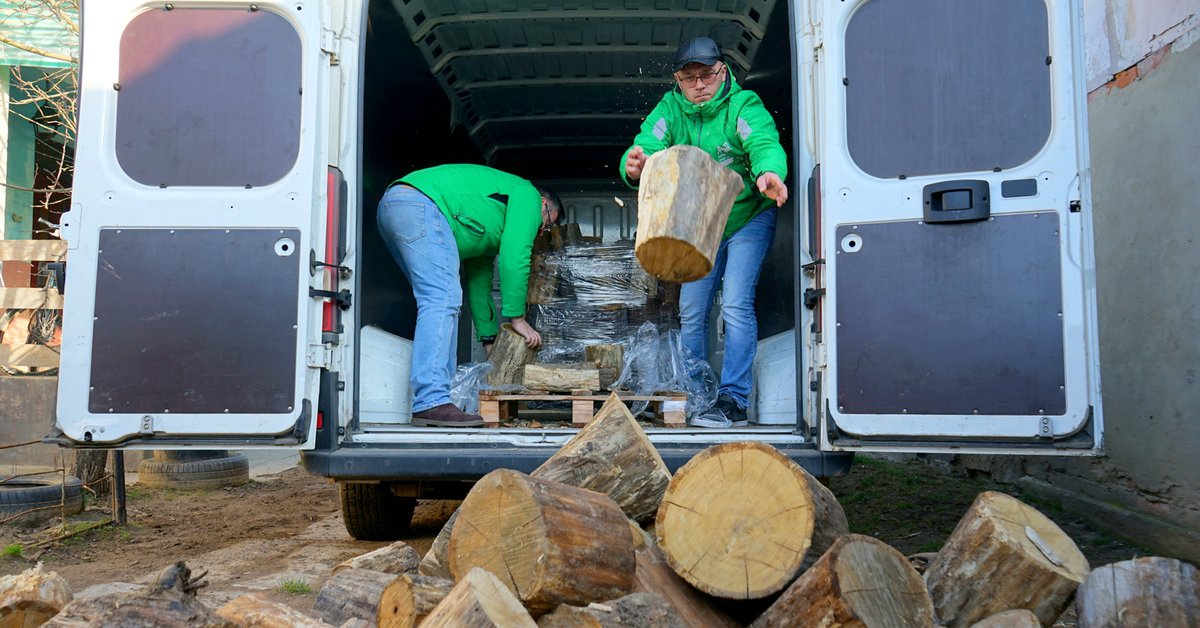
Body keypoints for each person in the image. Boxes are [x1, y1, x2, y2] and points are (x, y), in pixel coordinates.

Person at [620, 36, 789, 426]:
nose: (699, 85)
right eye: (688, 78)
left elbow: (763, 141)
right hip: (699, 226)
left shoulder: (742, 106)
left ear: (723, 70)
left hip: (748, 215)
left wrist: (768, 172)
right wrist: (634, 165)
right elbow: (647, 144)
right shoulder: (671, 109)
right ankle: (697, 394)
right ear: (677, 80)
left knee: (734, 303)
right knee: (692, 310)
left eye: (706, 76)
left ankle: (733, 399)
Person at [377, 164, 563, 427]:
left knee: (441, 301)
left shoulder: (487, 227)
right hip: (421, 204)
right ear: (544, 204)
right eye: (546, 223)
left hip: (395, 206)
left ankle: (438, 397)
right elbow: (514, 258)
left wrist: (489, 341)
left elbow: (479, 286)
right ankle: (431, 401)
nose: (540, 232)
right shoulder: (529, 194)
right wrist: (517, 318)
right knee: (441, 300)